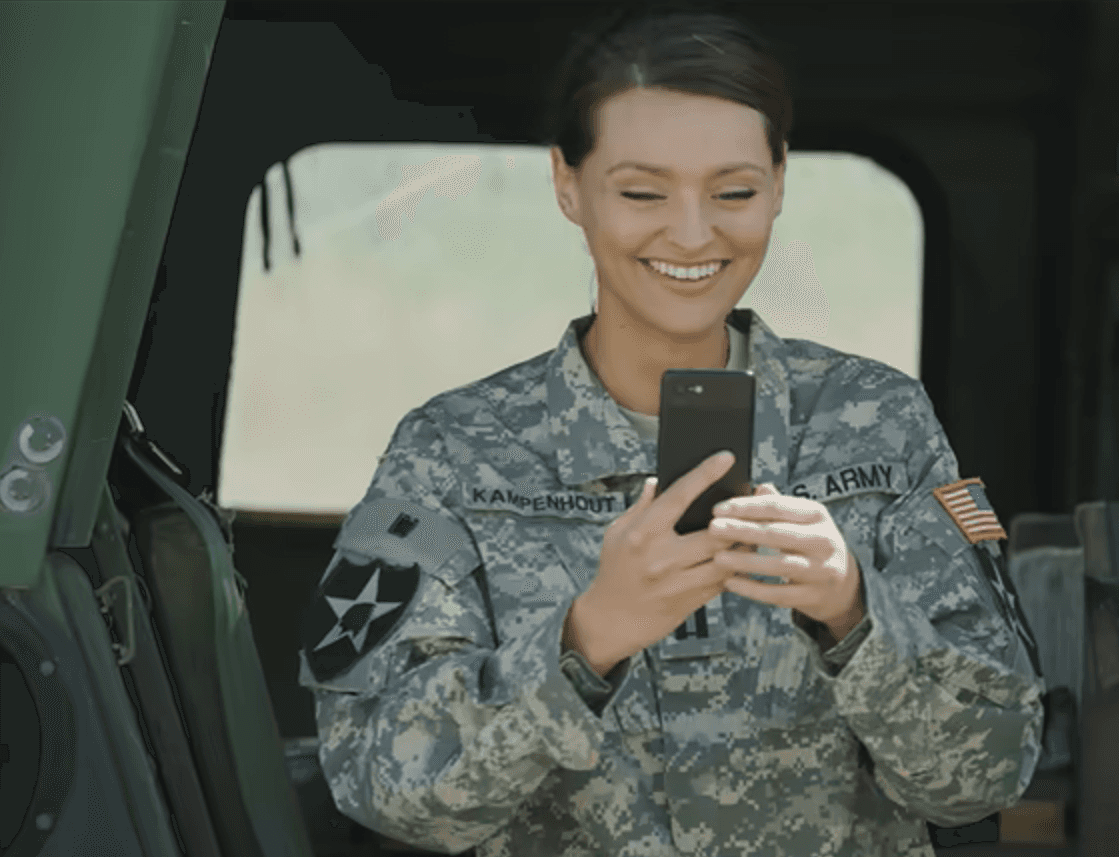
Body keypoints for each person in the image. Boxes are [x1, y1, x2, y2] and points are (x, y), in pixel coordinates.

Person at [297, 7, 1044, 856]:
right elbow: (378, 784)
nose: (692, 233)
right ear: (567, 184)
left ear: (779, 181)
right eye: (642, 191)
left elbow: (993, 770)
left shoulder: (878, 422)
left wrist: (856, 612)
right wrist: (585, 639)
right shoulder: (449, 452)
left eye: (733, 192)